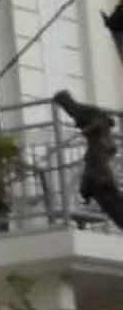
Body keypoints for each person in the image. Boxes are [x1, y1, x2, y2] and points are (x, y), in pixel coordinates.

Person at [51, 89, 123, 230]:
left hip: (100, 177)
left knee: (101, 180)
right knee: (102, 181)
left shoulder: (101, 145)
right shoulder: (100, 147)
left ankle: (93, 186)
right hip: (99, 177)